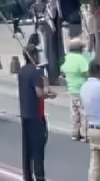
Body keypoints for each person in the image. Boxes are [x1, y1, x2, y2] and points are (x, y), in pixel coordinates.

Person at [17, 45, 54, 181]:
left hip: (25, 112)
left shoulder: (21, 71)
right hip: (36, 114)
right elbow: (40, 93)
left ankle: (27, 175)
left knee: (27, 146)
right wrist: (47, 87)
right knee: (38, 146)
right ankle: (39, 174)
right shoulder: (36, 71)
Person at [60, 37, 90, 141]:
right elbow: (87, 73)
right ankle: (85, 134)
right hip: (82, 89)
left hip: (71, 89)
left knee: (74, 112)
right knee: (84, 112)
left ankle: (75, 133)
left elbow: (63, 70)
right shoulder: (81, 59)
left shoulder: (68, 58)